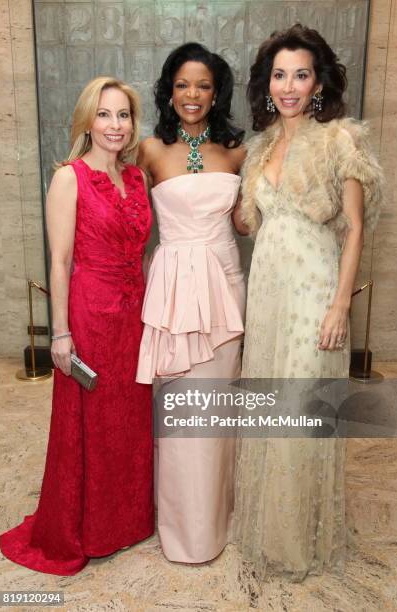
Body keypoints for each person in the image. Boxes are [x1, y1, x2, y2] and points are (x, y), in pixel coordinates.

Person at [233, 24, 383, 581]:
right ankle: (267, 531)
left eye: (300, 74)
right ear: (266, 82)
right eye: (279, 75)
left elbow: (355, 230)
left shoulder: (339, 139)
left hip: (314, 295)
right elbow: (251, 224)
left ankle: (297, 544)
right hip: (268, 295)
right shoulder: (264, 144)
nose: (289, 86)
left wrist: (340, 305)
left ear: (318, 81)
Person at [0, 77, 154, 575]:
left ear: (133, 123)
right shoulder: (70, 177)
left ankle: (126, 522)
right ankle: (83, 528)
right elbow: (60, 261)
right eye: (105, 114)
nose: (114, 124)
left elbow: (143, 251)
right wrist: (59, 334)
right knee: (90, 427)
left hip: (133, 318)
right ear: (88, 120)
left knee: (128, 424)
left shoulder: (137, 179)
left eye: (123, 115)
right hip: (89, 318)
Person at [136, 42, 246, 563]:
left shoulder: (239, 150)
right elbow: (124, 217)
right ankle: (179, 529)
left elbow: (249, 220)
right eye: (182, 84)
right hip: (174, 291)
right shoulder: (148, 150)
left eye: (203, 84)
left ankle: (218, 521)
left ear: (217, 90)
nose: (193, 94)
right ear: (169, 90)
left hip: (225, 290)